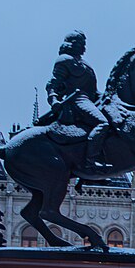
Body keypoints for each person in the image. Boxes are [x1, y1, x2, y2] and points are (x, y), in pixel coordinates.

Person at [34, 32, 110, 171]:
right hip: (76, 100)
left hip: (89, 99)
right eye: (81, 44)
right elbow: (52, 84)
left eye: (84, 44)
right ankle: (90, 161)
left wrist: (106, 97)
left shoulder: (84, 64)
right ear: (72, 44)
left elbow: (92, 90)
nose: (84, 47)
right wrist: (54, 100)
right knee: (102, 123)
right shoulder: (64, 60)